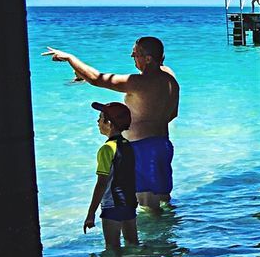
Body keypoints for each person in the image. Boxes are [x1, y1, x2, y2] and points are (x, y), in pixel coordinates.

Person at [45, 36, 180, 213]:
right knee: (164, 201)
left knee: (149, 208)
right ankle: (171, 239)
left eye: (135, 55)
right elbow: (172, 114)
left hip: (143, 150)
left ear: (148, 58)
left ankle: (152, 241)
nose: (133, 59)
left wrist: (70, 58)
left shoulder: (138, 83)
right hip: (163, 145)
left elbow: (96, 78)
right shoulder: (169, 77)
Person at [85, 101, 138, 250]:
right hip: (129, 202)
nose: (98, 121)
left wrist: (91, 214)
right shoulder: (128, 145)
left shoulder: (107, 149)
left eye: (101, 117)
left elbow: (102, 183)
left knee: (112, 248)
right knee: (132, 244)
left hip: (112, 205)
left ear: (109, 123)